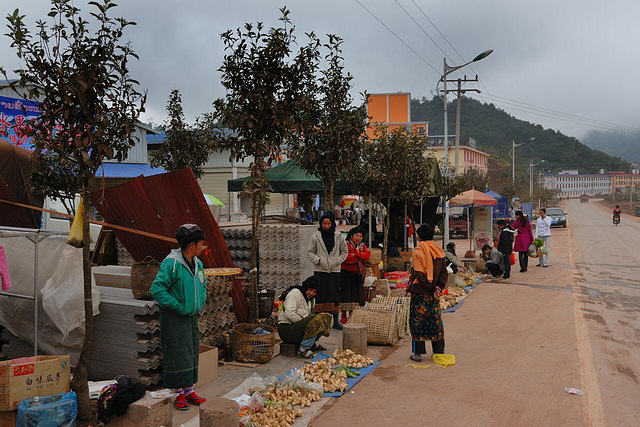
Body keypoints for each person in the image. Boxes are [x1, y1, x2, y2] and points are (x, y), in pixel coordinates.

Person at [151, 224, 208, 411]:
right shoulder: (171, 263)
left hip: (191, 316)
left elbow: (202, 283)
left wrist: (199, 302)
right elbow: (157, 290)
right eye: (201, 243)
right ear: (191, 244)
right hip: (174, 317)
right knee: (177, 353)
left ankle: (189, 389)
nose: (203, 246)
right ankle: (179, 393)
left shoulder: (197, 263)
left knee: (191, 351)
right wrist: (178, 306)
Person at [407, 224, 447, 362]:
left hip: (420, 293)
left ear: (419, 237)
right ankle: (438, 350)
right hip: (434, 293)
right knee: (435, 320)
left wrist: (429, 287)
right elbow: (443, 273)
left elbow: (419, 274)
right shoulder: (439, 251)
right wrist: (438, 287)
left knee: (417, 321)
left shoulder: (418, 252)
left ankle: (418, 353)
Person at [307, 212, 348, 330]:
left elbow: (344, 252)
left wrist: (337, 261)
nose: (326, 226)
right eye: (324, 223)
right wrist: (319, 260)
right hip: (320, 270)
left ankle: (335, 322)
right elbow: (310, 252)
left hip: (335, 270)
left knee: (335, 295)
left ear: (332, 224)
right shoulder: (316, 236)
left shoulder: (338, 236)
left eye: (328, 223)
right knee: (321, 296)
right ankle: (320, 322)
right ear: (321, 224)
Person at [277, 276, 333, 358]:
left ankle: (311, 343)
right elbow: (289, 313)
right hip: (287, 330)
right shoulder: (295, 293)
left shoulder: (310, 300)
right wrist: (306, 323)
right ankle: (303, 350)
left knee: (326, 317)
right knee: (316, 321)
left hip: (297, 328)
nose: (311, 293)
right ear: (305, 287)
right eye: (310, 290)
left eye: (314, 292)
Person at [339, 227, 371, 323]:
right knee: (345, 293)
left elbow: (367, 256)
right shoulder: (347, 244)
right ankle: (344, 315)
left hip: (357, 273)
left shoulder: (362, 245)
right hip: (346, 273)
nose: (358, 238)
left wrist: (355, 255)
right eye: (356, 235)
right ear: (351, 236)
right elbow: (347, 258)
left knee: (355, 294)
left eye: (360, 236)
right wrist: (359, 256)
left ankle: (352, 314)